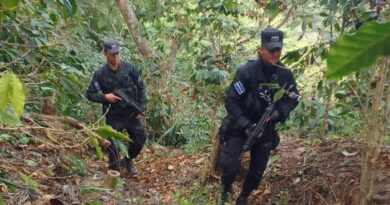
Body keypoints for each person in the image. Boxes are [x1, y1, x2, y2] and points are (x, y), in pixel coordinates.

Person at [216, 28, 299, 205]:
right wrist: (246, 124)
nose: (275, 54)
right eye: (271, 50)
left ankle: (243, 197)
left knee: (257, 170)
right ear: (261, 49)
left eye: (278, 49)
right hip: (241, 125)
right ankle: (224, 188)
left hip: (266, 128)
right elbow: (231, 100)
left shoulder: (285, 75)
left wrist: (277, 113)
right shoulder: (247, 72)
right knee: (229, 165)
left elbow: (293, 99)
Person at [86, 39, 147, 175]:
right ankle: (115, 178)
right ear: (105, 55)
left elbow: (141, 86)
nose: (116, 56)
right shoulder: (100, 74)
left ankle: (128, 159)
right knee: (112, 148)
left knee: (140, 138)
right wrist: (105, 97)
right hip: (114, 117)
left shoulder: (129, 68)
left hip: (132, 114)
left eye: (118, 53)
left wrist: (141, 107)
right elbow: (90, 94)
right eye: (112, 54)